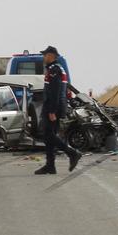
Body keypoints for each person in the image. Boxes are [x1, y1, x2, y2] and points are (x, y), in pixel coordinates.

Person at [35, 45, 81, 175]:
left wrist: (52, 111)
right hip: (55, 106)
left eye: (45, 55)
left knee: (48, 134)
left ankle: (72, 153)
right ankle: (50, 165)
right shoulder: (56, 69)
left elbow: (55, 92)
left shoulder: (54, 70)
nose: (43, 57)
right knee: (49, 137)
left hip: (53, 107)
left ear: (51, 56)